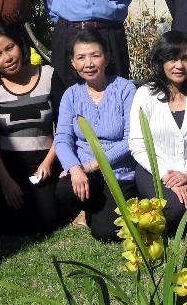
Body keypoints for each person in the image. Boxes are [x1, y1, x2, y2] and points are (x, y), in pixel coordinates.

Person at [54, 29, 137, 240]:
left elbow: (131, 139)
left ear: (107, 58)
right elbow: (62, 138)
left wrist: (91, 165)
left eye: (95, 55)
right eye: (81, 57)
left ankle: (95, 211)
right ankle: (89, 207)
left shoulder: (125, 89)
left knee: (106, 232)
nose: (88, 63)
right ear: (73, 63)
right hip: (86, 174)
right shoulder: (71, 95)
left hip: (119, 172)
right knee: (64, 190)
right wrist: (74, 168)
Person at [0, 23, 59, 234]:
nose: (7, 58)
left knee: (46, 220)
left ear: (20, 45)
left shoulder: (48, 75)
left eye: (10, 48)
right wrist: (5, 181)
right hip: (7, 166)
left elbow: (64, 126)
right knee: (8, 223)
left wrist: (48, 163)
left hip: (45, 162)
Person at [128, 31, 187, 228]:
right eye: (172, 59)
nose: (179, 65)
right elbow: (137, 144)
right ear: (161, 61)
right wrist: (168, 177)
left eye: (185, 58)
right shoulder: (145, 94)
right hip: (155, 169)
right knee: (174, 209)